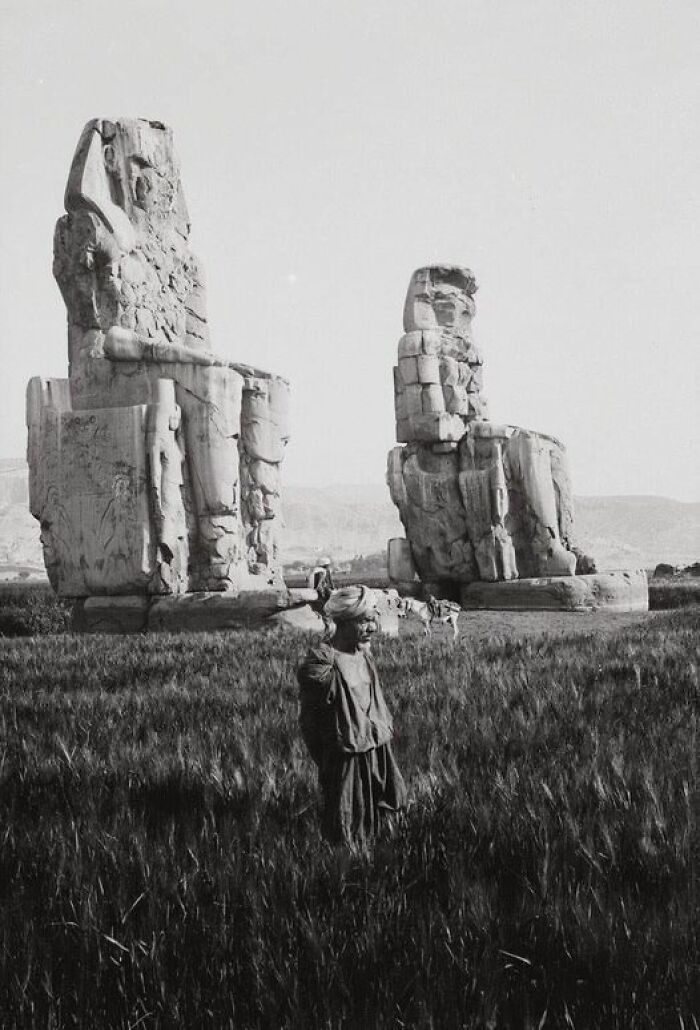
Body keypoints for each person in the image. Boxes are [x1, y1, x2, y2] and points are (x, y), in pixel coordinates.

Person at [297, 585, 407, 845]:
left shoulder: (364, 657)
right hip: (345, 758)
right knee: (347, 828)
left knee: (383, 824)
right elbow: (309, 723)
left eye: (374, 620)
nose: (374, 628)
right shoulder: (322, 666)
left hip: (378, 752)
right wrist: (328, 761)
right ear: (344, 622)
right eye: (366, 621)